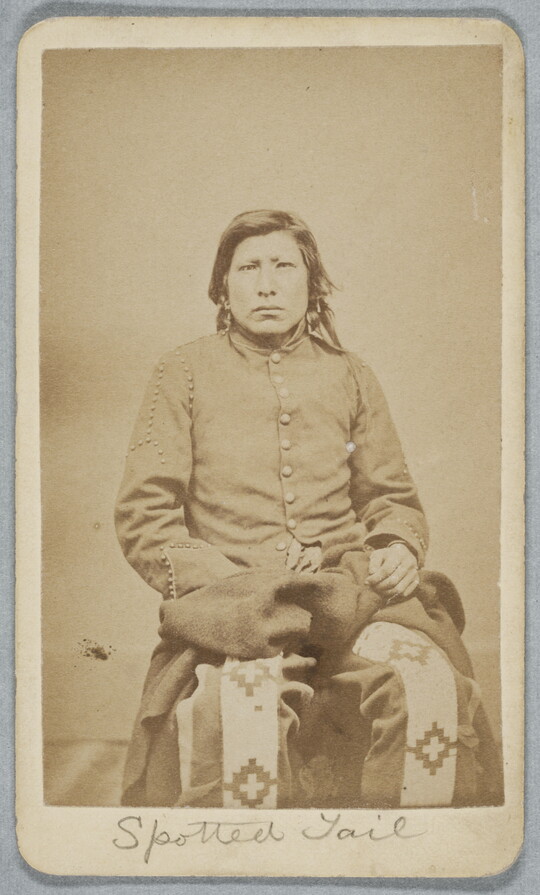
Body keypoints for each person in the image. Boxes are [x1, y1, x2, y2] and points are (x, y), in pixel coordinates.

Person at [115, 210, 502, 809]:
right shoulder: (182, 372)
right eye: (248, 269)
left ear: (310, 283)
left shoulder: (351, 374)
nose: (266, 285)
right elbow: (145, 514)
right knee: (232, 714)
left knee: (432, 690)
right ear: (223, 287)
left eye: (283, 266)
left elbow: (391, 498)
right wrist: (228, 586)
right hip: (236, 605)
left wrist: (398, 546)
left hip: (348, 596)